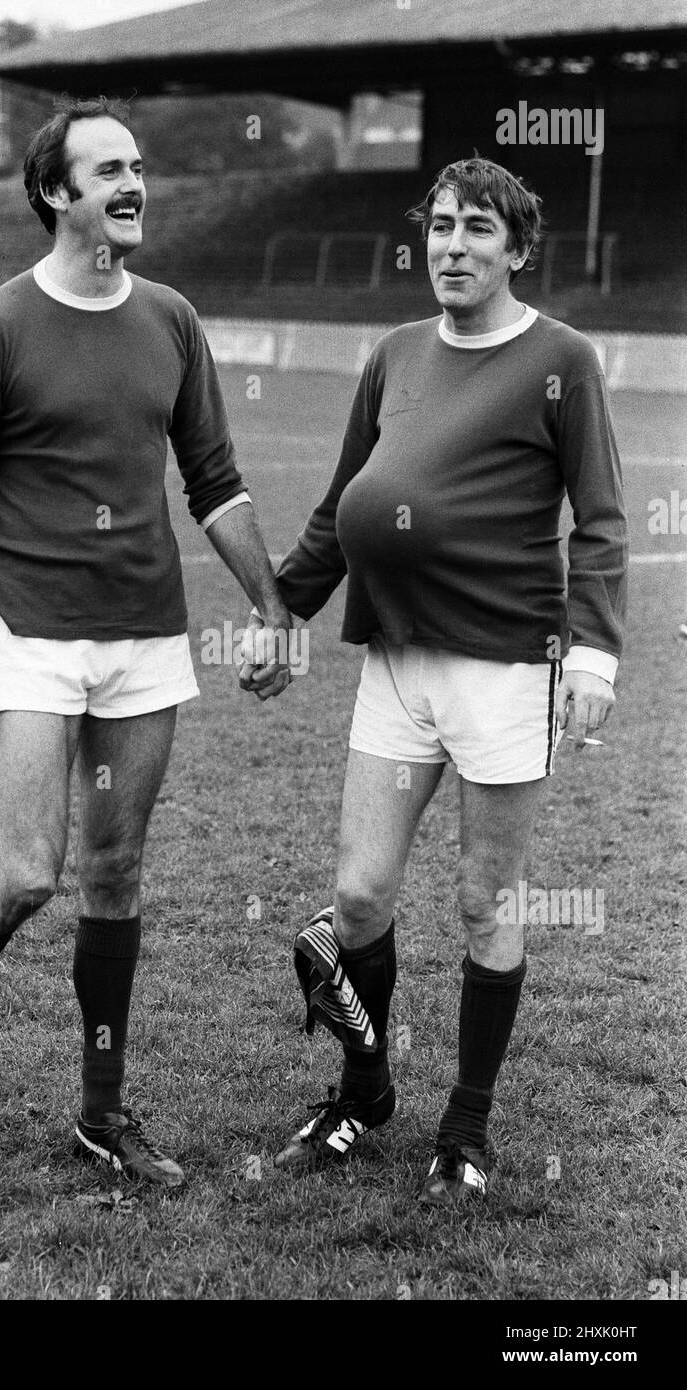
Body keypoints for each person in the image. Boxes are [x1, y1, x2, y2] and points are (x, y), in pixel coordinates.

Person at [0, 95, 290, 1187]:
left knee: (115, 873)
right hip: (29, 634)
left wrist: (270, 604)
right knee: (30, 871)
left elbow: (216, 481)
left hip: (147, 639)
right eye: (106, 168)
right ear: (56, 193)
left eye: (138, 164)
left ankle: (102, 1114)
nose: (132, 182)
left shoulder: (171, 317)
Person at [241, 157, 627, 1203]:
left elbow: (599, 518)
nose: (452, 246)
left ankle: (466, 1126)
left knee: (483, 900)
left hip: (505, 669)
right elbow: (342, 505)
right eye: (441, 226)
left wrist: (594, 648)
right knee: (359, 897)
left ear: (517, 248)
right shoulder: (397, 353)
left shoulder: (565, 358)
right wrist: (283, 610)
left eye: (478, 231)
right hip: (396, 660)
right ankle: (365, 1086)